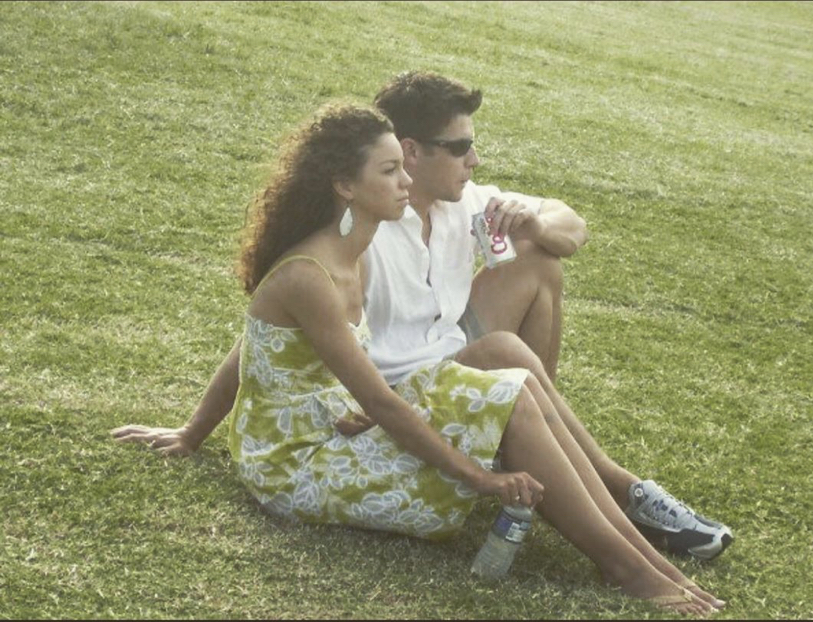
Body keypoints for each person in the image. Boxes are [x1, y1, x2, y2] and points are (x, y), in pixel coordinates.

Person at [113, 104, 720, 616]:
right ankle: (629, 568)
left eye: (404, 167)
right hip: (295, 465)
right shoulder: (310, 273)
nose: (406, 182)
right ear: (345, 186)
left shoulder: (355, 248)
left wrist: (194, 433)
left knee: (514, 378)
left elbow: (268, 348)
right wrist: (480, 478)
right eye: (390, 170)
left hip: (339, 425)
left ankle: (639, 557)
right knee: (506, 393)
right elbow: (368, 396)